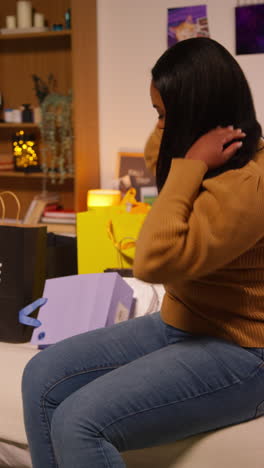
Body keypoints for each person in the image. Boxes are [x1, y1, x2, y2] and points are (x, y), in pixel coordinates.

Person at [22, 37, 264, 468]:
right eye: (157, 115)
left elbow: (152, 261)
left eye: (164, 116)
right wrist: (185, 146)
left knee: (78, 422)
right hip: (181, 322)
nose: (157, 130)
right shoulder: (213, 160)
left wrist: (190, 163)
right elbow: (157, 154)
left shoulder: (247, 187)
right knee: (39, 376)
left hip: (243, 351)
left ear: (196, 117)